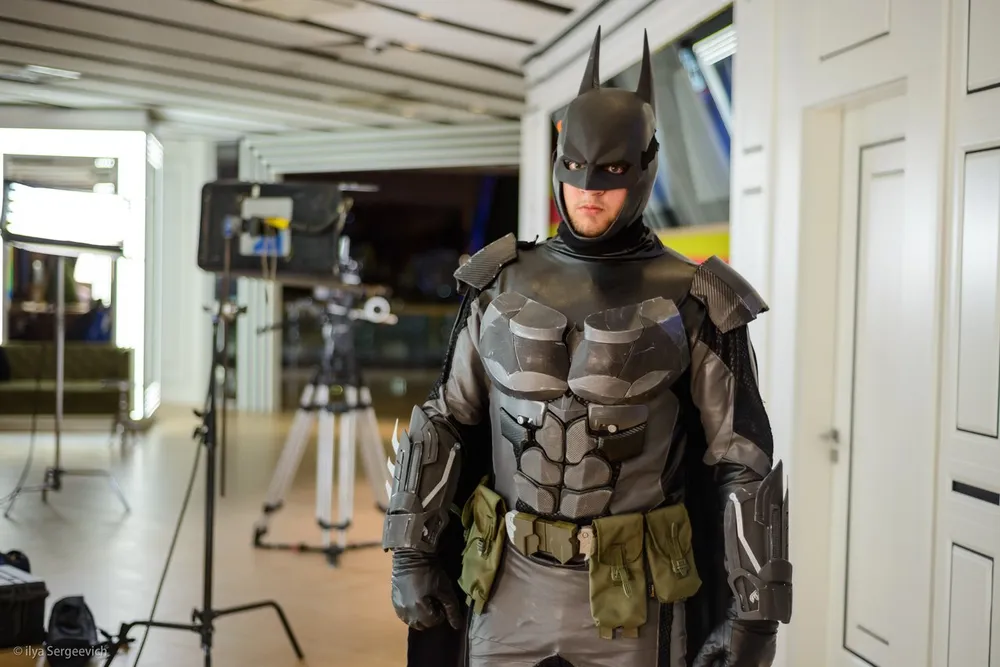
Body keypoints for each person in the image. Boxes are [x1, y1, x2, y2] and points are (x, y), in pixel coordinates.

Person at [382, 27, 792, 667]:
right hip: (504, 580)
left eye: (612, 172)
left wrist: (756, 614)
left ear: (646, 168)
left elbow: (741, 459)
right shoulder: (498, 281)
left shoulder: (696, 297)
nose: (589, 189)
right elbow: (447, 419)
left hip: (634, 596)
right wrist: (411, 552)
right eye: (574, 168)